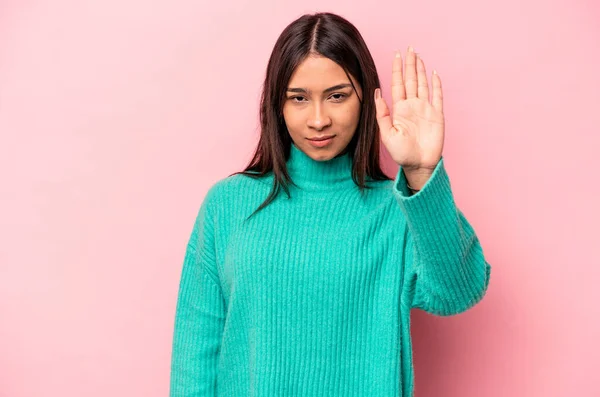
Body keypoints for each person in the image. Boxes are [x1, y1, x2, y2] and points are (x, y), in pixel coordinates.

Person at [169, 11, 491, 397]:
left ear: (366, 99)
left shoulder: (398, 210)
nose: (318, 119)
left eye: (337, 96)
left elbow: (458, 292)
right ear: (277, 105)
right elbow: (195, 357)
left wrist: (421, 171)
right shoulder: (227, 205)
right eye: (299, 98)